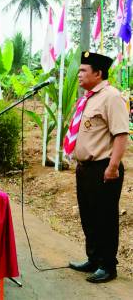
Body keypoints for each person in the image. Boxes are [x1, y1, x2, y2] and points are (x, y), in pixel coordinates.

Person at [67, 52, 129, 283]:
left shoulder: (111, 97)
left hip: (104, 167)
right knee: (88, 216)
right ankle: (93, 259)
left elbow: (121, 135)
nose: (80, 74)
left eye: (84, 70)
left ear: (98, 73)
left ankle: (107, 265)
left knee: (105, 218)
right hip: (85, 168)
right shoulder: (89, 97)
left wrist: (113, 167)